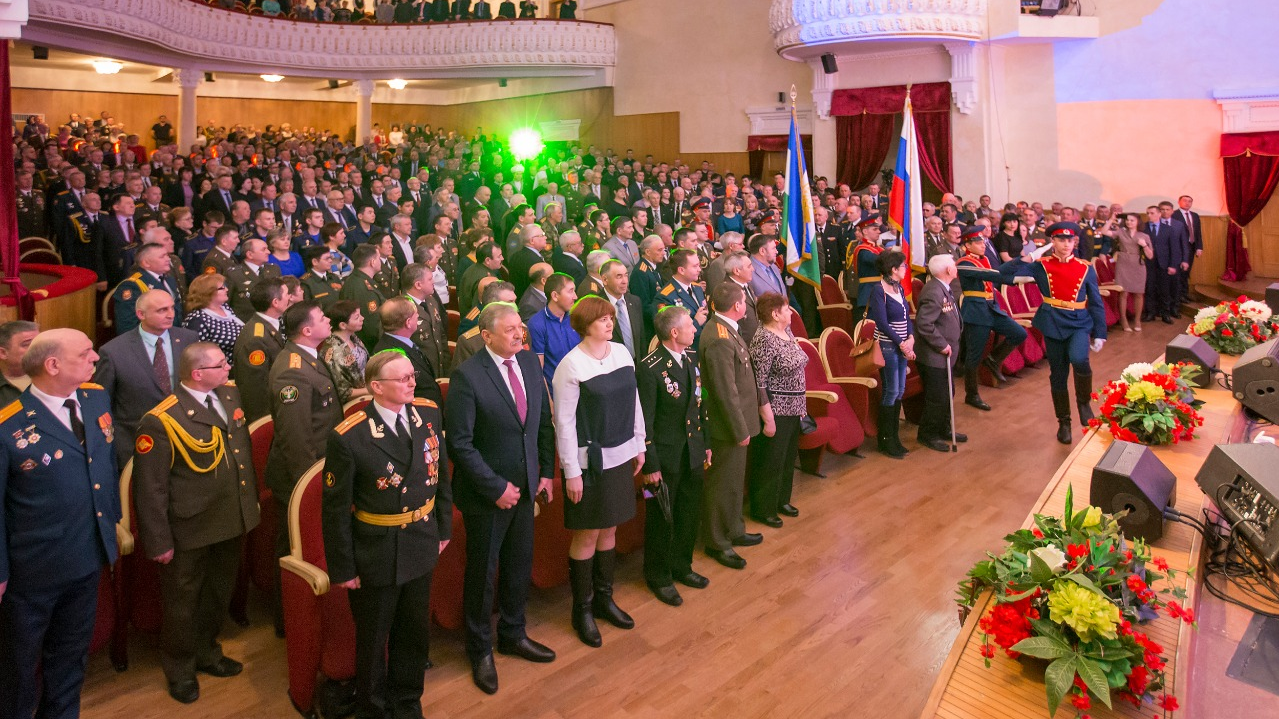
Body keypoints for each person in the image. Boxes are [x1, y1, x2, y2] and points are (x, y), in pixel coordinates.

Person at [322, 350, 451, 719]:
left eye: (413, 376)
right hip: (377, 549)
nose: (412, 383)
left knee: (414, 632)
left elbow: (439, 475)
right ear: (376, 387)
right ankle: (373, 708)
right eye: (403, 378)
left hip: (421, 540)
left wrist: (442, 527)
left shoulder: (427, 413)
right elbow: (335, 510)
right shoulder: (350, 436)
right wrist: (344, 568)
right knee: (374, 638)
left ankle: (407, 701)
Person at [0, 329, 119, 719]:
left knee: (70, 659)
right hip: (34, 567)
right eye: (84, 354)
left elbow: (104, 465)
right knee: (18, 668)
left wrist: (112, 523)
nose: (95, 358)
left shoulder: (95, 398)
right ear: (53, 365)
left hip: (87, 555)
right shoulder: (8, 425)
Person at [132, 342, 258, 704]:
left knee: (218, 593)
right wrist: (158, 541)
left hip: (230, 517)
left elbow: (239, 454)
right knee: (182, 603)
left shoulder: (228, 396)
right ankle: (180, 668)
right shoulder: (161, 419)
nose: (228, 368)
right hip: (189, 526)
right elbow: (151, 488)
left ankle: (207, 652)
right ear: (198, 374)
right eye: (220, 365)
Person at [445, 302, 556, 695]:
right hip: (486, 496)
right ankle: (479, 649)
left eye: (520, 328)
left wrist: (546, 471)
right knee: (483, 573)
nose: (518, 334)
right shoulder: (468, 376)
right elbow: (460, 444)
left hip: (526, 486)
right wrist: (495, 488)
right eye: (509, 329)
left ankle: (513, 633)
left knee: (518, 564)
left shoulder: (528, 363)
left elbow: (541, 423)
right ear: (486, 335)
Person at [552, 296, 645, 647]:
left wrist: (640, 442)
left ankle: (605, 599)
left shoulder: (621, 352)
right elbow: (564, 423)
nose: (609, 323)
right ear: (585, 325)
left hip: (622, 453)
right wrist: (571, 471)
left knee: (611, 528)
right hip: (589, 463)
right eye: (602, 319)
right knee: (588, 534)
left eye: (610, 318)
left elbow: (634, 401)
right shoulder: (571, 366)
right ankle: (583, 609)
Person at [265, 301, 343, 633]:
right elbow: (295, 438)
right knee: (293, 548)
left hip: (318, 468)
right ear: (307, 330)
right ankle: (289, 621)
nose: (329, 320)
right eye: (323, 317)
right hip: (299, 477)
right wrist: (309, 487)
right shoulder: (292, 371)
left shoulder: (309, 356)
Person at [637, 306, 709, 607]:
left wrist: (705, 444)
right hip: (665, 458)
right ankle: (658, 575)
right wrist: (650, 464)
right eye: (690, 325)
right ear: (674, 332)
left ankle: (682, 565)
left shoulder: (690, 358)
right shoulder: (650, 367)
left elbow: (699, 405)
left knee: (688, 513)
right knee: (661, 518)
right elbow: (645, 422)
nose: (695, 329)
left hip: (691, 451)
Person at [1012, 223, 1106, 444]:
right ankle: (1064, 422)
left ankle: (1083, 402)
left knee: (1079, 359)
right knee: (1058, 375)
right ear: (1052, 242)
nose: (1066, 244)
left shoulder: (1085, 267)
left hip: (1079, 321)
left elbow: (1096, 301)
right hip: (1053, 322)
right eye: (1061, 240)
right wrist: (1032, 255)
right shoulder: (1042, 266)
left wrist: (1100, 332)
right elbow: (1006, 273)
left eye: (1070, 240)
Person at [699, 282, 763, 570]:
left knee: (734, 482)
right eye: (744, 303)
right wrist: (740, 429)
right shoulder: (719, 337)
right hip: (727, 428)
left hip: (739, 422)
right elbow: (725, 392)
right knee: (722, 485)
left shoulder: (725, 329)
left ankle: (734, 529)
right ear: (738, 306)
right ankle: (717, 542)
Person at [95, 290, 200, 466]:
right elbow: (102, 402)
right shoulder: (113, 351)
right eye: (162, 310)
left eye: (172, 308)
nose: (171, 314)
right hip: (137, 442)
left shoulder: (188, 338)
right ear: (140, 314)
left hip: (186, 438)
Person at [746, 292, 806, 528]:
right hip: (775, 409)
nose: (790, 312)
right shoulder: (763, 339)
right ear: (775, 314)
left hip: (794, 407)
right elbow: (759, 382)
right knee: (770, 461)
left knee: (787, 458)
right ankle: (763, 508)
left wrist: (802, 404)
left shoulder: (786, 331)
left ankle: (782, 500)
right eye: (787, 309)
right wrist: (768, 417)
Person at [955, 227, 1028, 411]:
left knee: (1018, 333)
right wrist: (1019, 262)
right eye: (979, 242)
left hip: (991, 308)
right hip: (976, 312)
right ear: (968, 245)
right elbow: (991, 274)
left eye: (984, 242)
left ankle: (993, 359)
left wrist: (1019, 275)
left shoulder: (984, 259)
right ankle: (972, 395)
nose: (983, 245)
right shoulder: (964, 263)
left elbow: (996, 275)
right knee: (974, 356)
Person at [913, 255, 967, 452]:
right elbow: (924, 324)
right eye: (953, 265)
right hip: (935, 355)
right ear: (948, 270)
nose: (956, 268)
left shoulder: (943, 287)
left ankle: (944, 428)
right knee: (937, 397)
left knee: (948, 393)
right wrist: (941, 344)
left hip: (946, 355)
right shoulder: (934, 291)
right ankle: (928, 434)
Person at [865, 251, 914, 459]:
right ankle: (885, 439)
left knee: (900, 390)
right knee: (891, 391)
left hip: (902, 345)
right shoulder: (878, 290)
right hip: (888, 346)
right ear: (893, 269)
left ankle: (895, 437)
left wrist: (911, 338)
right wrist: (902, 343)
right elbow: (882, 323)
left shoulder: (899, 288)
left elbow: (906, 316)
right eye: (903, 266)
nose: (906, 269)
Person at [230, 277, 291, 422]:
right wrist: (265, 423)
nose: (290, 297)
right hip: (268, 414)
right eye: (287, 294)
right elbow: (255, 390)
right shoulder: (256, 339)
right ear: (275, 302)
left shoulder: (270, 325)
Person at [372, 298, 444, 406]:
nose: (418, 317)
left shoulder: (402, 342)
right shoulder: (389, 355)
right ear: (408, 323)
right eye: (416, 315)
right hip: (417, 411)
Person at [114, 243, 185, 334]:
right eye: (162, 256)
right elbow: (127, 326)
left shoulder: (169, 279)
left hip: (175, 334)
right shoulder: (132, 285)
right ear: (146, 263)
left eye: (167, 255)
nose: (168, 259)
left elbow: (178, 310)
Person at [527, 273, 580, 389]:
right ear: (555, 296)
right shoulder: (537, 324)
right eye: (570, 291)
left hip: (582, 386)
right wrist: (548, 398)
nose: (575, 297)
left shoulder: (576, 317)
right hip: (556, 391)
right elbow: (538, 369)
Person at [1103, 213, 1154, 332]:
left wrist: (1144, 245)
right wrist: (1111, 219)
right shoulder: (1121, 232)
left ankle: (1137, 320)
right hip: (1123, 264)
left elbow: (1150, 256)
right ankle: (1123, 319)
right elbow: (1104, 231)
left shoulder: (1144, 236)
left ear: (1138, 222)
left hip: (1138, 265)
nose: (1129, 222)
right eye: (1127, 220)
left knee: (1139, 293)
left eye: (1132, 220)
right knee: (1123, 293)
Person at [182, 273, 245, 362]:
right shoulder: (198, 320)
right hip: (222, 366)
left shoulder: (225, 308)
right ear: (208, 293)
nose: (227, 289)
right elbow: (197, 354)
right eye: (222, 288)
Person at [319, 300, 371, 403]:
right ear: (343, 325)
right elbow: (343, 392)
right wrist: (371, 390)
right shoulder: (334, 352)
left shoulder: (352, 337)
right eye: (357, 317)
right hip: (355, 401)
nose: (362, 318)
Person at [1142, 205, 1186, 325]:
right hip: (1148, 264)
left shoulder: (1168, 229)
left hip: (1164, 264)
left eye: (1152, 213)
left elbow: (1174, 248)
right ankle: (1150, 313)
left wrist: (1173, 265)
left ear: (1159, 214)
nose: (1149, 215)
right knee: (1149, 288)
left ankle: (1165, 313)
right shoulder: (1143, 228)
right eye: (1147, 213)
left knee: (1165, 290)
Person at [340, 244, 388, 348]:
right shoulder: (362, 287)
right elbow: (372, 325)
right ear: (372, 262)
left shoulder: (359, 281)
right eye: (378, 258)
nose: (380, 261)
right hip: (371, 346)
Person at [0, 320, 38, 405]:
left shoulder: (54, 376)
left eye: (39, 342)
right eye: (27, 344)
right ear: (3, 353)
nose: (38, 348)